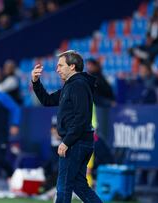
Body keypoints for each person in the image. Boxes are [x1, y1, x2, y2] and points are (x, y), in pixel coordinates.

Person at [31, 50, 102, 203]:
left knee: (63, 186)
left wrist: (67, 141)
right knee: (80, 186)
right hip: (81, 141)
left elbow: (81, 118)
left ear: (72, 66)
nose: (57, 69)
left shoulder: (77, 85)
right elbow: (47, 100)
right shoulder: (72, 85)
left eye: (60, 65)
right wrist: (36, 82)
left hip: (76, 143)